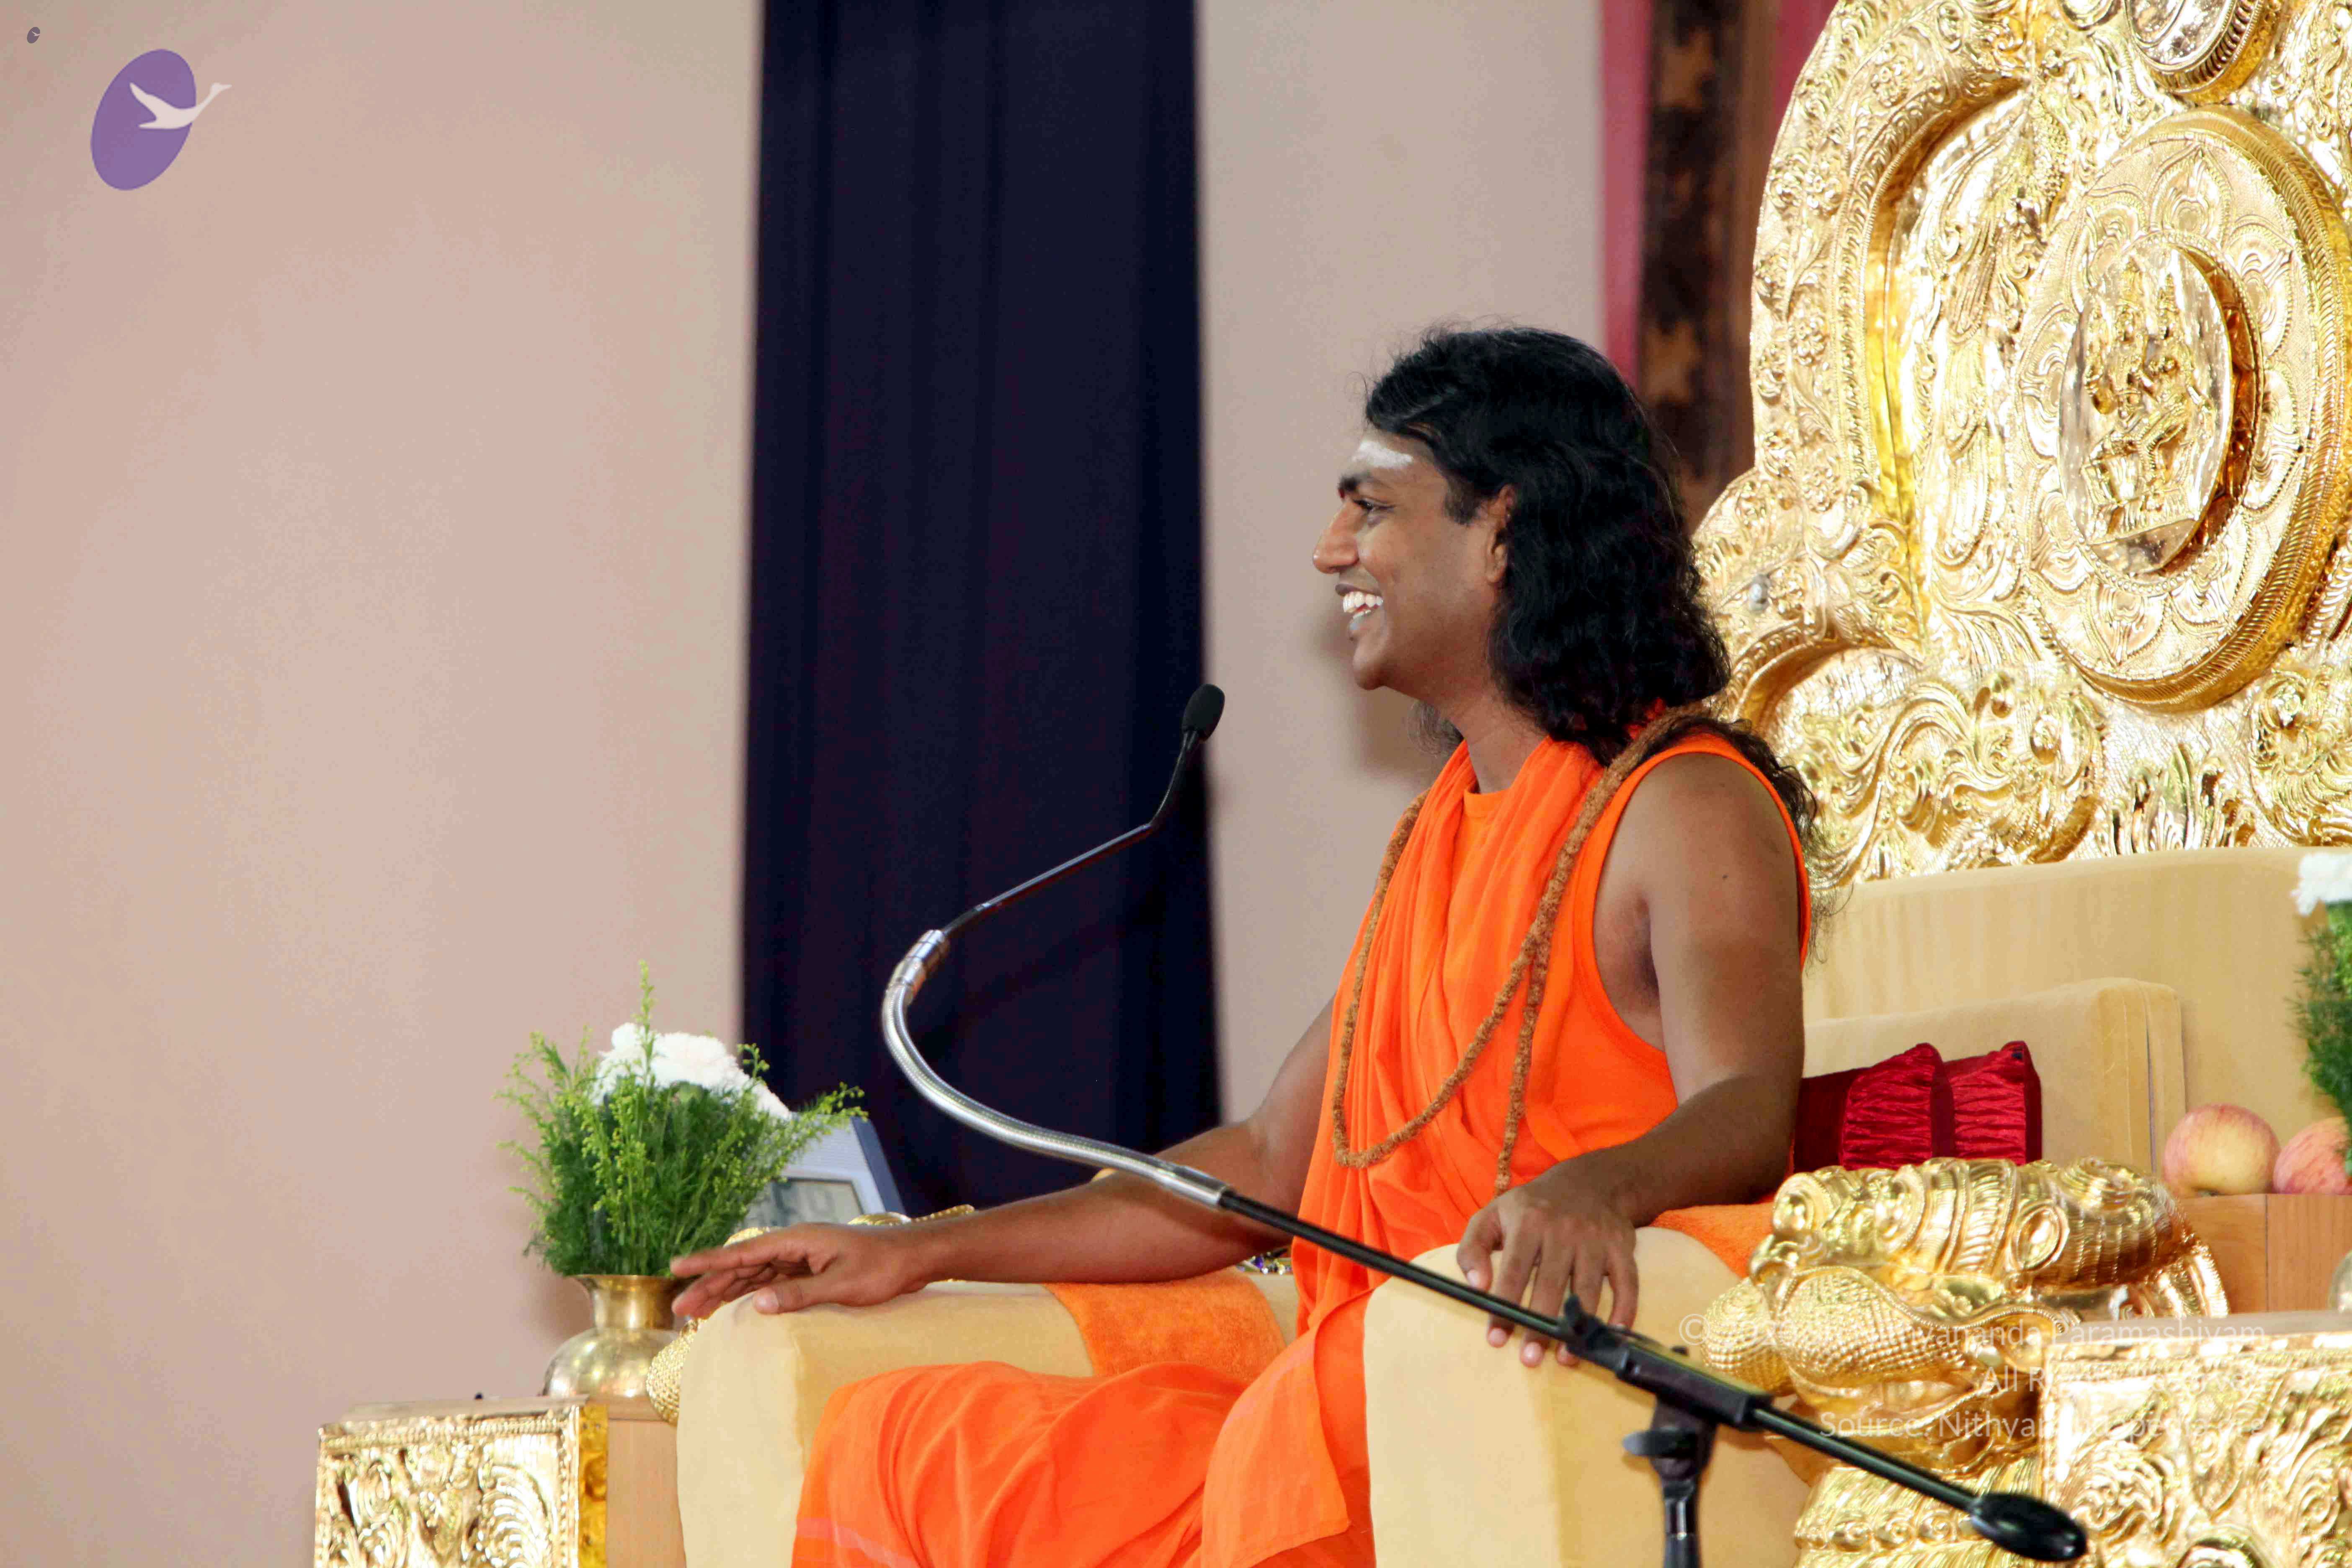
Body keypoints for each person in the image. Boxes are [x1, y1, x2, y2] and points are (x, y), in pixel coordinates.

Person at [671, 326, 1815, 1568]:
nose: (1331, 551)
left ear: (1503, 530)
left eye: (1372, 508)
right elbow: (1273, 1158)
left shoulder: (1682, 802)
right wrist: (918, 1252)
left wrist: (1600, 1189)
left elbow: (1749, 1108)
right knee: (907, 1439)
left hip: (1474, 1410)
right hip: (1351, 1401)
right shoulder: (1438, 834)